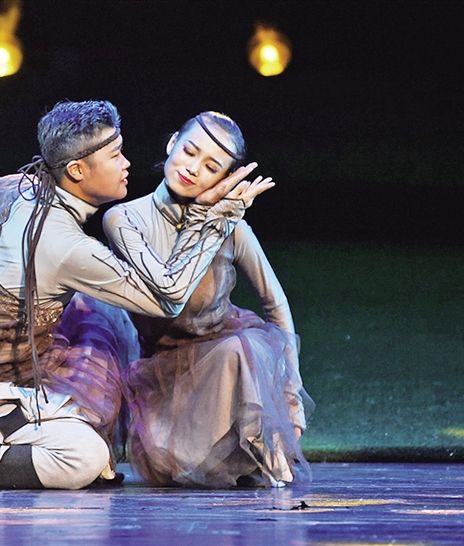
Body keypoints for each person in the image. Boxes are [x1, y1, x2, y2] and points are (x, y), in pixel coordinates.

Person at [0, 100, 271, 490]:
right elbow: (168, 299)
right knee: (86, 456)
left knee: (96, 319)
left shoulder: (13, 186)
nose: (127, 164)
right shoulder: (66, 246)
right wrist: (217, 217)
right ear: (77, 170)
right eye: (115, 155)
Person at [103, 111, 313, 488]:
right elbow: (170, 290)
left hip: (231, 361)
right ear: (172, 144)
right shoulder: (124, 219)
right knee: (235, 356)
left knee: (242, 348)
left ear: (225, 178)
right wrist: (207, 219)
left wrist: (292, 399)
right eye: (189, 152)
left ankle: (258, 445)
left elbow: (275, 305)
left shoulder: (233, 228)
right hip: (166, 378)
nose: (193, 169)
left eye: (212, 167)